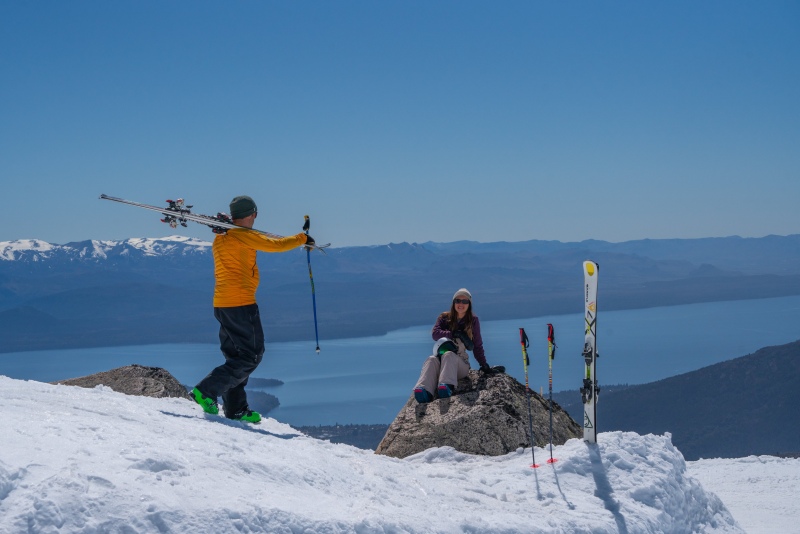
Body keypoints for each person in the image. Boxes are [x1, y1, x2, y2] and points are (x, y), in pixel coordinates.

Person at [191, 195, 314, 423]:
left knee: (235, 357)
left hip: (222, 304)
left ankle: (236, 410)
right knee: (251, 355)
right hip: (241, 304)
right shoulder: (243, 236)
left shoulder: (223, 237)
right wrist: (302, 238)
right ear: (252, 214)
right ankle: (206, 390)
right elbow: (276, 245)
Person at [413, 288, 497, 403]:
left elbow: (477, 345)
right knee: (431, 359)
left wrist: (484, 365)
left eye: (465, 301)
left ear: (469, 304)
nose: (461, 304)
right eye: (458, 300)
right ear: (453, 303)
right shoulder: (444, 318)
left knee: (449, 355)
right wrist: (455, 333)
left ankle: (446, 386)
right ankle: (423, 391)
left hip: (460, 365)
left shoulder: (473, 321)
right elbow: (435, 334)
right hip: (441, 362)